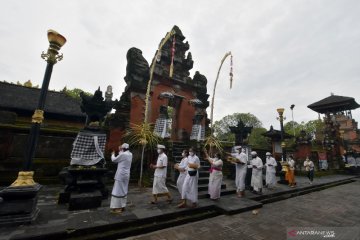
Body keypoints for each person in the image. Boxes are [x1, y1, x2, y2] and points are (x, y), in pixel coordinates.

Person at [110, 143, 133, 214]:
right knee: (124, 189)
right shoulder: (130, 154)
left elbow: (114, 160)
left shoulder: (123, 155)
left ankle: (118, 207)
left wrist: (113, 154)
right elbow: (121, 155)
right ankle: (122, 205)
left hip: (120, 175)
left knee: (117, 190)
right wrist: (120, 150)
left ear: (123, 149)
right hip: (126, 175)